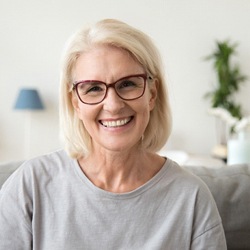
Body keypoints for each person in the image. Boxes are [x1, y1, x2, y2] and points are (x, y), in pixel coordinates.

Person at [0, 19, 226, 249]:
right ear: (75, 103)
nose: (113, 104)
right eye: (94, 88)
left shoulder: (192, 198)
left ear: (152, 94)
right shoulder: (30, 185)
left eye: (127, 84)